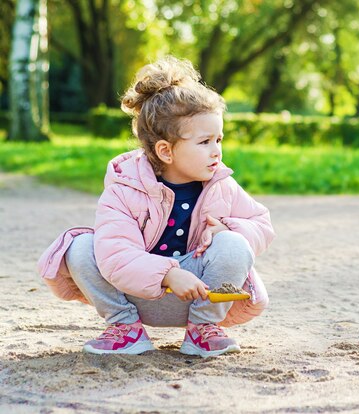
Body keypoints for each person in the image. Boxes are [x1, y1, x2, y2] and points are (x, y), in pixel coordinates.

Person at [37, 56, 275, 357]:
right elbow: (116, 256)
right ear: (166, 150)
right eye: (204, 142)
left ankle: (203, 330)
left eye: (219, 139)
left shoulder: (221, 185)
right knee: (80, 246)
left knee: (234, 243)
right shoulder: (124, 190)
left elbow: (262, 224)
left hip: (201, 295)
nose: (216, 151)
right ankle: (125, 329)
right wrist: (166, 274)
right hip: (135, 293)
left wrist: (227, 228)